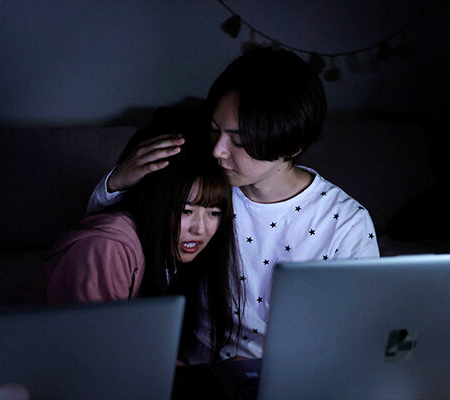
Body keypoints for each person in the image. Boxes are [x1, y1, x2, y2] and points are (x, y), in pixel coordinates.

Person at [87, 46, 380, 362]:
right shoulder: (206, 181)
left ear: (292, 146)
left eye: (238, 141)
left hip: (283, 374)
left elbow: (356, 340)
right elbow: (104, 240)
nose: (219, 150)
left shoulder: (345, 223)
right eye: (215, 130)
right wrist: (117, 182)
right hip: (192, 365)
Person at [28, 136, 243, 362]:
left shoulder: (174, 253)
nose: (199, 229)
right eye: (185, 211)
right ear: (157, 203)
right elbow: (97, 353)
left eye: (214, 213)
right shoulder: (109, 247)